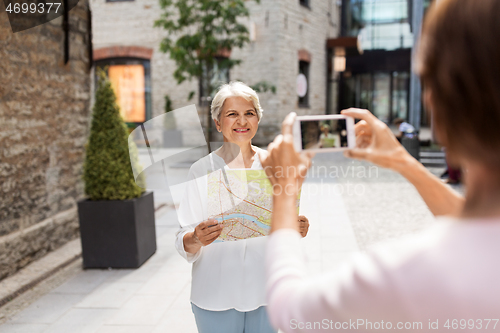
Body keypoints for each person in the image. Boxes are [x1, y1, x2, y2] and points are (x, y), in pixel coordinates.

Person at [260, 0, 500, 331]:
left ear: (438, 103)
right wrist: (403, 161)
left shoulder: (406, 274)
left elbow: (290, 312)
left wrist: (284, 191)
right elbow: (478, 228)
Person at [175, 81, 310, 333]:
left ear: (257, 119)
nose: (242, 121)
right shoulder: (201, 170)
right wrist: (195, 237)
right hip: (214, 296)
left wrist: (295, 228)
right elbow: (181, 239)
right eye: (232, 114)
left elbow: (284, 228)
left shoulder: (275, 166)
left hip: (267, 293)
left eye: (249, 113)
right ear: (218, 123)